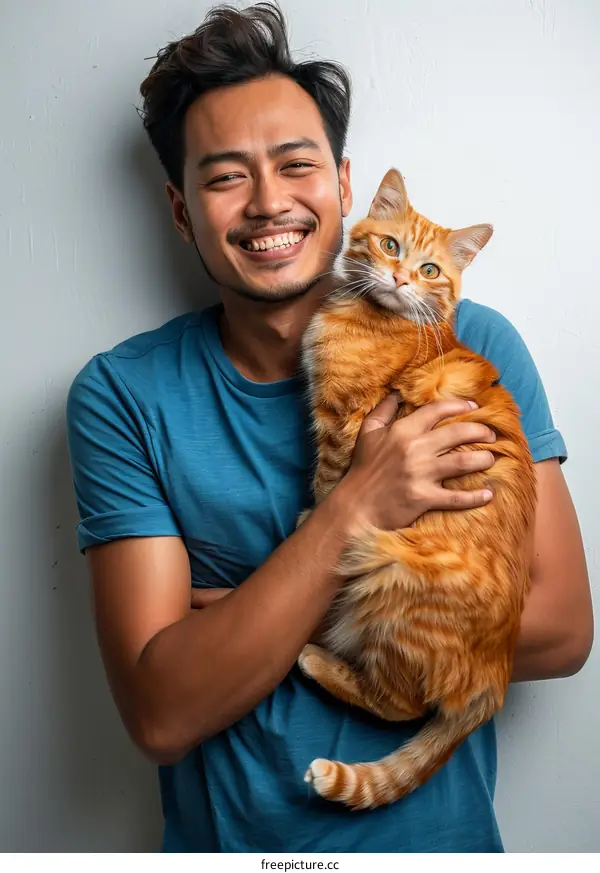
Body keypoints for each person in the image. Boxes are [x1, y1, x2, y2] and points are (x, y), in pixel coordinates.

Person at [66, 1, 592, 853]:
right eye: (225, 174)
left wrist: (249, 617)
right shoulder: (123, 395)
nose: (269, 202)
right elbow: (162, 710)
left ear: (344, 185)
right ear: (179, 207)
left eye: (296, 164)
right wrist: (356, 509)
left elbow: (564, 628)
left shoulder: (474, 344)